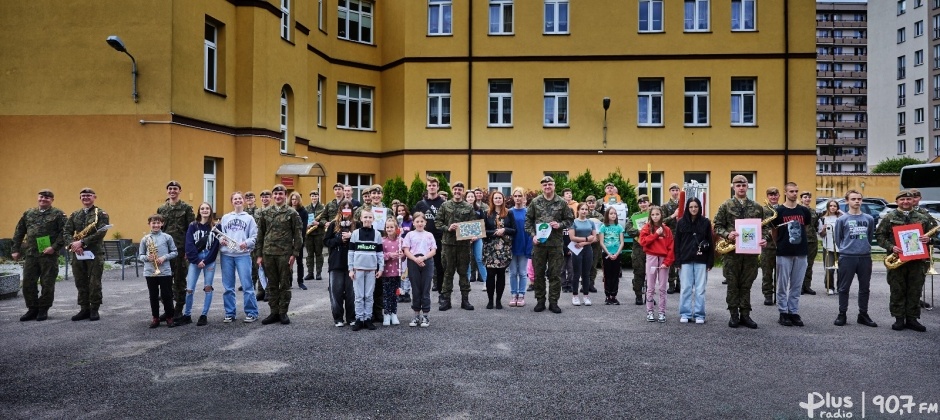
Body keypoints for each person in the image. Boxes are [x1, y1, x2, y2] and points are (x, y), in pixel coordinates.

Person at [875, 190, 936, 332]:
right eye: (902, 200)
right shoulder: (889, 217)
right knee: (897, 289)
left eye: (908, 199)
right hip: (897, 260)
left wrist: (930, 240)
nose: (906, 202)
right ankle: (898, 319)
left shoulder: (923, 218)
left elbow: (934, 236)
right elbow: (880, 236)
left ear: (913, 201)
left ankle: (912, 319)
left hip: (917, 261)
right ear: (897, 202)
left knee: (915, 290)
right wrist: (891, 247)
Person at [714, 174, 766, 329]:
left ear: (747, 186)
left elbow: (766, 227)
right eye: (738, 185)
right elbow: (717, 225)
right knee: (732, 284)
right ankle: (733, 315)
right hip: (732, 253)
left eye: (744, 185)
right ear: (733, 187)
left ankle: (745, 314)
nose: (741, 188)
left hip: (750, 253)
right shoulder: (726, 205)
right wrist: (727, 234)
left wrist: (765, 238)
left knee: (746, 284)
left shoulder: (757, 207)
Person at [12, 189, 67, 322]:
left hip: (48, 254)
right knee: (28, 282)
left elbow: (65, 233)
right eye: (42, 197)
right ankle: (32, 308)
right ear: (38, 198)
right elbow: (19, 231)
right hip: (31, 253)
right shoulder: (29, 213)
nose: (44, 199)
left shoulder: (58, 214)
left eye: (47, 198)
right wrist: (15, 249)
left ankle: (43, 309)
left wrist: (54, 248)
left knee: (47, 283)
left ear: (52, 200)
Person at [524, 176, 574, 314]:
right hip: (539, 244)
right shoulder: (535, 202)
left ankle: (553, 302)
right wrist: (533, 235)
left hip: (555, 244)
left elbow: (569, 219)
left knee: (555, 274)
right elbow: (528, 221)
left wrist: (560, 224)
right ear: (542, 187)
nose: (547, 187)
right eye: (545, 185)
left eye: (550, 184)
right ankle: (540, 301)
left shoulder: (562, 202)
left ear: (554, 186)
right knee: (538, 274)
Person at [256, 184, 303, 325]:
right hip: (268, 253)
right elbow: (260, 235)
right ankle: (273, 312)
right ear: (272, 196)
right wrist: (259, 255)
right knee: (271, 285)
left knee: (284, 284)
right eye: (275, 194)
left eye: (280, 194)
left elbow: (298, 235)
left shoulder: (292, 213)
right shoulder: (265, 212)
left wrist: (294, 254)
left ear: (285, 195)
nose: (277, 197)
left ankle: (283, 312)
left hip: (284, 254)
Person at [832, 190, 877, 327]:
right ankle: (842, 313)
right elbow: (838, 239)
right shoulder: (842, 219)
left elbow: (869, 236)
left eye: (859, 199)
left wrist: (863, 248)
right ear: (847, 201)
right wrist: (847, 250)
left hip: (864, 257)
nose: (857, 201)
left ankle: (863, 314)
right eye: (853, 199)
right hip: (847, 257)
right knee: (844, 287)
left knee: (864, 288)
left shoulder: (868, 219)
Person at [64, 187, 110, 322]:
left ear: (94, 197)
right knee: (80, 281)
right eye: (83, 196)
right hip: (78, 253)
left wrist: (82, 242)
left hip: (94, 252)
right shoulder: (74, 214)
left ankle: (94, 309)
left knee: (94, 281)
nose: (86, 197)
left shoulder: (101, 213)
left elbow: (101, 232)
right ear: (80, 198)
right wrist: (73, 244)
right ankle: (84, 309)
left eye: (89, 195)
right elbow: (66, 231)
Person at [770, 182, 812, 327]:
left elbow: (804, 228)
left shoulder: (804, 211)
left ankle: (793, 311)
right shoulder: (779, 212)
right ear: (785, 193)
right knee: (782, 284)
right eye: (791, 191)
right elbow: (774, 232)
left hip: (801, 252)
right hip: (784, 252)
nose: (794, 193)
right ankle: (783, 312)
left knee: (796, 284)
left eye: (796, 191)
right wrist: (780, 244)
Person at [218, 192, 260, 325]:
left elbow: (254, 236)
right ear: (232, 201)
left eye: (239, 198)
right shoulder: (225, 217)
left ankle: (252, 312)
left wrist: (246, 243)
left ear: (243, 201)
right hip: (227, 255)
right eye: (235, 199)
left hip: (243, 255)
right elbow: (220, 234)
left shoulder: (249, 218)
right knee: (228, 287)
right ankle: (230, 313)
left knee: (247, 285)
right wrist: (221, 240)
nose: (237, 201)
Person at [177, 202, 221, 326]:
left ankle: (204, 315)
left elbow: (215, 247)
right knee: (190, 288)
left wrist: (206, 261)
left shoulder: (216, 226)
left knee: (208, 287)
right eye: (202, 208)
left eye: (207, 208)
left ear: (210, 211)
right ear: (199, 211)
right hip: (195, 259)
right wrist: (196, 260)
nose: (205, 210)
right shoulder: (193, 226)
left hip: (209, 259)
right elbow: (189, 244)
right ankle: (187, 315)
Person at [156, 180, 195, 320]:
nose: (172, 191)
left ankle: (179, 310)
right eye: (170, 189)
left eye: (175, 189)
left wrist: (188, 251)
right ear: (167, 191)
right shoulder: (162, 209)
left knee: (179, 281)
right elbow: (158, 230)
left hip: (180, 250)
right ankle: (168, 310)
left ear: (180, 191)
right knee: (165, 281)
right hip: (165, 252)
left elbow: (191, 231)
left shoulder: (186, 208)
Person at [674, 197, 714, 324]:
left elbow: (711, 242)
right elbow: (677, 243)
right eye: (691, 207)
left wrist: (710, 261)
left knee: (700, 289)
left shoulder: (705, 222)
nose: (693, 209)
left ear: (699, 208)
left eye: (695, 207)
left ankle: (699, 314)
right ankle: (685, 313)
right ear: (687, 208)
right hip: (685, 260)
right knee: (685, 288)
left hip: (701, 260)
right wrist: (677, 261)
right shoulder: (681, 222)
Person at [438, 182, 476, 311]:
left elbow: (473, 224)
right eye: (455, 189)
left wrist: (472, 233)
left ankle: (465, 300)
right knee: (448, 273)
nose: (457, 192)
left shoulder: (468, 207)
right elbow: (438, 222)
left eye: (460, 189)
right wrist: (448, 228)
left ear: (463, 191)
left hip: (463, 245)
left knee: (463, 273)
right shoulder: (445, 205)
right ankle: (446, 300)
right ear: (452, 191)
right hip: (448, 244)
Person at [348, 209, 384, 331]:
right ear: (361, 219)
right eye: (365, 217)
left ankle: (368, 318)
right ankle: (359, 319)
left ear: (373, 219)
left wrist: (381, 268)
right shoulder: (355, 233)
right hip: (358, 269)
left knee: (368, 295)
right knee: (359, 296)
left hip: (371, 270)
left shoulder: (377, 234)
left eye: (370, 217)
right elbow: (351, 252)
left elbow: (380, 253)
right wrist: (350, 269)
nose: (367, 219)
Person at [139, 214, 178, 328]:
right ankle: (155, 318)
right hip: (150, 271)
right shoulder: (145, 239)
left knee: (167, 295)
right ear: (149, 224)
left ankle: (169, 317)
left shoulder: (167, 237)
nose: (156, 225)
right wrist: (147, 258)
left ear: (162, 224)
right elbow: (140, 255)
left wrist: (163, 257)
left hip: (164, 271)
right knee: (153, 296)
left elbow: (174, 252)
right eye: (153, 223)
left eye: (158, 223)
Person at [639, 206, 675, 322]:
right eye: (653, 215)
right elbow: (643, 242)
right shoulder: (647, 228)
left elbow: (671, 247)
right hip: (651, 258)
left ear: (661, 215)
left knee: (663, 288)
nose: (655, 217)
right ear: (650, 216)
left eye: (657, 214)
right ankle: (649, 311)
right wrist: (655, 235)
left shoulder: (667, 230)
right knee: (650, 287)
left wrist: (667, 262)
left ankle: (661, 312)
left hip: (663, 260)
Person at [412, 178, 447, 293]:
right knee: (421, 266)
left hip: (440, 239)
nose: (432, 187)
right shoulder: (420, 204)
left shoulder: (444, 204)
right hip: (423, 239)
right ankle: (421, 293)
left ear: (438, 187)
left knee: (440, 266)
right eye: (429, 185)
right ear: (427, 187)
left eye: (434, 185)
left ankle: (442, 292)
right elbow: (415, 221)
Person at [402, 212, 437, 327]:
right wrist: (415, 259)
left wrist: (424, 257)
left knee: (425, 288)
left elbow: (433, 250)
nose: (420, 223)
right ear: (413, 223)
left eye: (422, 221)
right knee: (416, 289)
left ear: (425, 223)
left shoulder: (429, 235)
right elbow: (406, 250)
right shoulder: (410, 235)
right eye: (417, 221)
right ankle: (416, 315)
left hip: (427, 261)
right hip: (413, 262)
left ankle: (425, 316)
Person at [483, 191, 517, 309]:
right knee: (490, 274)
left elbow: (514, 230)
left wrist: (505, 230)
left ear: (503, 199)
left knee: (501, 274)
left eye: (500, 198)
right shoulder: (486, 213)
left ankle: (498, 300)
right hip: (490, 248)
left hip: (504, 248)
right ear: (492, 200)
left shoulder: (509, 213)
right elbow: (483, 231)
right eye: (495, 198)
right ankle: (490, 300)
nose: (498, 200)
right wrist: (495, 232)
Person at [325, 200, 355, 327]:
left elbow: (360, 241)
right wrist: (339, 239)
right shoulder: (333, 224)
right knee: (336, 291)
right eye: (344, 207)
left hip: (352, 262)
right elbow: (326, 241)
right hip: (336, 262)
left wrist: (351, 235)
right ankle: (338, 318)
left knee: (351, 292)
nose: (346, 209)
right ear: (340, 209)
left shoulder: (356, 224)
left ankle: (351, 317)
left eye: (349, 207)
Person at [568, 203, 597, 307]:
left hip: (587, 249)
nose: (584, 211)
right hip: (576, 249)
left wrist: (584, 243)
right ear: (578, 210)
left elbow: (594, 238)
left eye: (586, 209)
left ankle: (586, 295)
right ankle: (575, 295)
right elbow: (572, 237)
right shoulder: (573, 222)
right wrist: (585, 239)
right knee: (576, 273)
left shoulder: (591, 222)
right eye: (582, 209)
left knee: (586, 273)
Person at [508, 187, 532, 307]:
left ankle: (521, 295)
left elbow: (530, 231)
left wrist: (529, 246)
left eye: (520, 196)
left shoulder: (528, 212)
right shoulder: (509, 212)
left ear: (524, 198)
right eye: (515, 196)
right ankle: (513, 294)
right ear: (513, 198)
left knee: (523, 272)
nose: (517, 198)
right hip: (512, 245)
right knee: (512, 272)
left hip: (523, 245)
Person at [626, 195, 651, 305]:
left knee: (651, 274)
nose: (643, 204)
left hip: (651, 247)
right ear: (638, 204)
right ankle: (638, 296)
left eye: (645, 202)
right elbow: (628, 229)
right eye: (641, 202)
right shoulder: (635, 216)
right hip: (638, 248)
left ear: (648, 203)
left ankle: (649, 296)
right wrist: (641, 232)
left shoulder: (653, 214)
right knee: (639, 272)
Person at [598, 206, 624, 305]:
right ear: (607, 215)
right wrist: (608, 253)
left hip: (617, 254)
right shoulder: (603, 227)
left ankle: (614, 295)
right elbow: (601, 242)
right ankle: (607, 295)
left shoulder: (619, 227)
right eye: (611, 213)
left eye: (614, 213)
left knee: (615, 275)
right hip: (606, 254)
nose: (613, 215)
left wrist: (617, 253)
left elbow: (622, 242)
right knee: (607, 275)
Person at [381, 218, 404, 326]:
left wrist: (402, 255)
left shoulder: (400, 241)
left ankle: (394, 313)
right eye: (387, 227)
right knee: (386, 294)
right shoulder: (383, 241)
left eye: (391, 227)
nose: (389, 229)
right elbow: (380, 256)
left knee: (395, 294)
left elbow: (404, 256)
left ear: (396, 228)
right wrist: (389, 255)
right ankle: (386, 313)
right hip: (386, 272)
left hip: (397, 272)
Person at [760, 187, 781, 306]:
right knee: (767, 273)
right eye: (770, 195)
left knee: (780, 273)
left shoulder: (783, 209)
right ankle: (768, 295)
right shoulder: (763, 210)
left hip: (781, 246)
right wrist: (768, 234)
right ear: (767, 196)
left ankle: (779, 295)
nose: (773, 197)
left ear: (779, 196)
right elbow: (760, 226)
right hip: (767, 246)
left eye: (775, 195)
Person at [819, 199, 844, 295]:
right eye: (831, 206)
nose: (833, 207)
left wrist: (841, 213)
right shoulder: (823, 218)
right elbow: (821, 234)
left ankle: (840, 287)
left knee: (841, 269)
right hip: (828, 246)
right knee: (829, 268)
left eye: (835, 206)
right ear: (828, 207)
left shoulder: (841, 218)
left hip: (840, 247)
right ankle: (829, 287)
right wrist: (824, 229)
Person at [661, 183, 682, 295]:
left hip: (681, 236)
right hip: (669, 236)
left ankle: (680, 284)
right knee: (670, 260)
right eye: (673, 190)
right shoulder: (665, 206)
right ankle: (671, 284)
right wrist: (673, 216)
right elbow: (662, 221)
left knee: (680, 260)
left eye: (677, 190)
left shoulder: (683, 204)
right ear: (669, 191)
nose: (675, 192)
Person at [252, 190, 272, 301]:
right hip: (258, 242)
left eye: (267, 197)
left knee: (268, 267)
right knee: (259, 267)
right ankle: (261, 290)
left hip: (269, 242)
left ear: (270, 198)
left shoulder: (273, 211)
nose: (265, 199)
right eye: (263, 197)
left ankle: (269, 291)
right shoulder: (257, 212)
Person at [465, 190, 488, 285]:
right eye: (468, 196)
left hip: (478, 238)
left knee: (479, 259)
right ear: (465, 198)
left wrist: (476, 236)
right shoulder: (462, 210)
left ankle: (487, 282)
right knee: (467, 260)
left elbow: (483, 224)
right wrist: (468, 237)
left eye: (472, 196)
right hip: (465, 239)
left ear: (475, 198)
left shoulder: (479, 210)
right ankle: (466, 282)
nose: (470, 198)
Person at [800, 191, 820, 295]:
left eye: (809, 197)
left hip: (812, 240)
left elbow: (816, 226)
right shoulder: (798, 210)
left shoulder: (813, 212)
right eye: (805, 197)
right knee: (800, 264)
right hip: (801, 240)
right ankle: (799, 286)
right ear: (801, 199)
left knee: (809, 264)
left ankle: (807, 286)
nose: (807, 199)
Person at [304, 190, 326, 281]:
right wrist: (306, 224)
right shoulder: (306, 208)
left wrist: (319, 223)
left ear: (318, 197)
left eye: (316, 196)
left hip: (319, 234)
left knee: (319, 254)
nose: (314, 198)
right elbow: (303, 219)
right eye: (312, 196)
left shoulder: (323, 208)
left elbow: (325, 220)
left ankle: (318, 273)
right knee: (309, 255)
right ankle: (310, 273)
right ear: (310, 197)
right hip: (309, 234)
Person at [289, 192, 309, 290]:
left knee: (299, 261)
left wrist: (298, 240)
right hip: (288, 241)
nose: (294, 201)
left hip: (298, 240)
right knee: (289, 262)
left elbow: (303, 228)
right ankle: (289, 282)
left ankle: (300, 282)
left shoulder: (303, 212)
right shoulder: (287, 210)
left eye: (296, 199)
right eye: (292, 199)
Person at [396, 204, 414, 303]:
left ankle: (406, 292)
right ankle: (399, 292)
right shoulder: (396, 222)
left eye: (403, 210)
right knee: (398, 272)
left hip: (407, 249)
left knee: (405, 272)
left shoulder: (410, 222)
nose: (401, 212)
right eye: (399, 211)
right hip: (398, 250)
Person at [585, 195, 603, 293]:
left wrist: (597, 238)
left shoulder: (600, 216)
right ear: (586, 203)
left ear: (596, 204)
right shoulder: (583, 214)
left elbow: (602, 229)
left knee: (593, 264)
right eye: (589, 202)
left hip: (596, 243)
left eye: (593, 203)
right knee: (584, 264)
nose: (591, 205)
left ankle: (591, 283)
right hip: (585, 242)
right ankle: (584, 284)